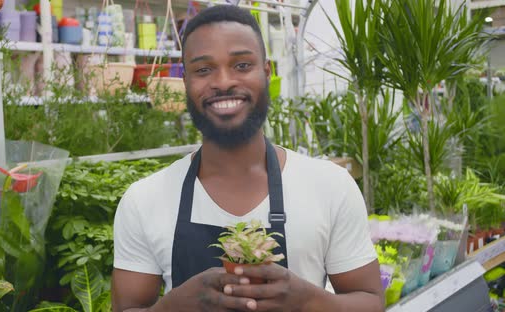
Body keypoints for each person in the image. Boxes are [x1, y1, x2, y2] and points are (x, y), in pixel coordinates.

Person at [112, 5, 384, 312]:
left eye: (241, 65)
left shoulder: (329, 186)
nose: (224, 81)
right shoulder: (144, 200)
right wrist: (171, 308)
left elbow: (371, 302)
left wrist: (306, 300)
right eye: (203, 70)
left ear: (266, 72)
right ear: (185, 81)